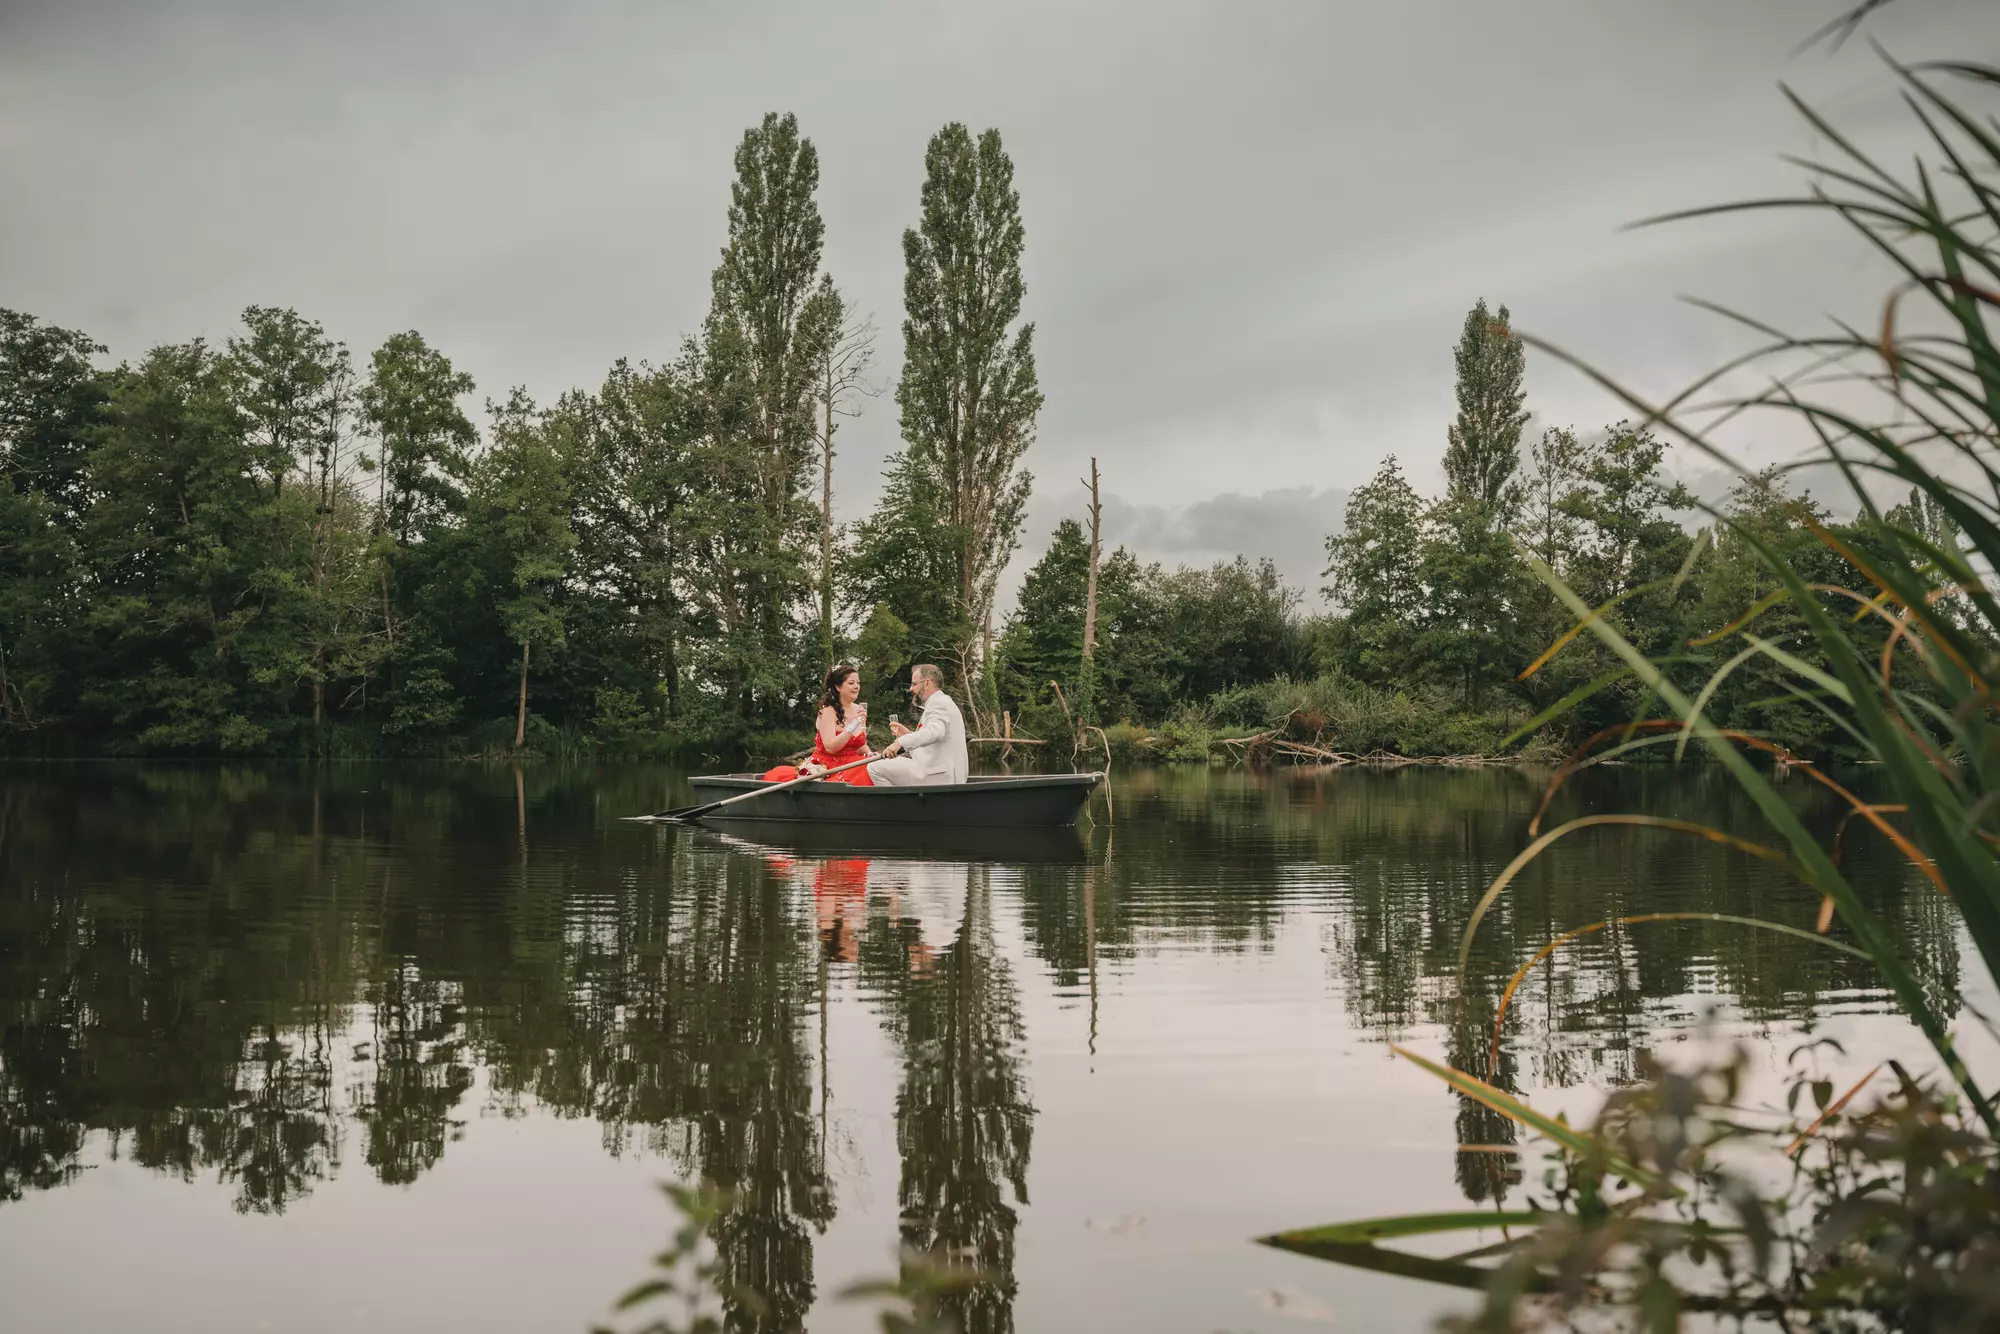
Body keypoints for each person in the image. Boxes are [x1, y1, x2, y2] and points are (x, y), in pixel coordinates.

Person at [759, 664, 878, 785]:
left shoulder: (859, 709)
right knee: (864, 771)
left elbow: (859, 744)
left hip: (853, 762)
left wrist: (869, 753)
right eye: (851, 683)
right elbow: (830, 747)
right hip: (829, 766)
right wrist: (853, 725)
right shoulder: (828, 710)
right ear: (838, 686)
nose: (856, 686)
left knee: (875, 766)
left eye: (858, 682)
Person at [869, 663, 968, 787]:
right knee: (886, 761)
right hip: (938, 771)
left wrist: (899, 742)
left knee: (874, 768)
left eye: (914, 684)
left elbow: (934, 733)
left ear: (927, 683)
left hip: (940, 776)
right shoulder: (940, 702)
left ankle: (896, 806)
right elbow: (931, 740)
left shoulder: (939, 704)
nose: (911, 689)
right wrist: (907, 734)